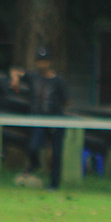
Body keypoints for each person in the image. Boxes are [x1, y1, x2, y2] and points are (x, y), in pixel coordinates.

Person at [9, 48, 69, 190]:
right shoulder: (33, 77)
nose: (42, 64)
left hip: (55, 120)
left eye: (45, 61)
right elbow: (15, 71)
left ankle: (54, 184)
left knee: (55, 154)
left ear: (50, 62)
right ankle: (35, 164)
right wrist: (16, 79)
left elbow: (66, 100)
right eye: (40, 61)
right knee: (33, 147)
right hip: (38, 119)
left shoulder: (58, 81)